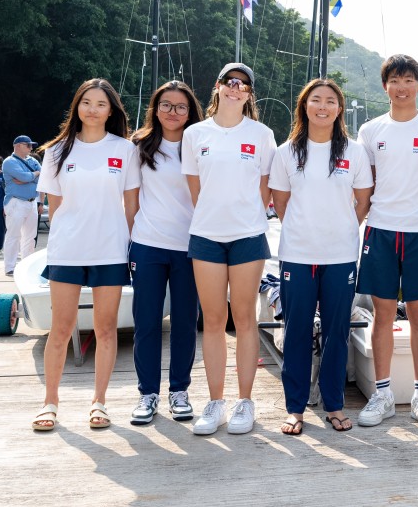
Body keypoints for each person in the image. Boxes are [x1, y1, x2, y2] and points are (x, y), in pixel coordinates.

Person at [31, 79, 140, 431]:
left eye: (101, 104)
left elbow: (130, 207)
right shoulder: (57, 151)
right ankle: (50, 401)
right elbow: (56, 207)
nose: (93, 109)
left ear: (112, 111)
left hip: (109, 249)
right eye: (87, 102)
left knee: (106, 329)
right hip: (67, 250)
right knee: (60, 330)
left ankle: (99, 402)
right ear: (77, 106)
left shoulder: (125, 150)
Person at [270, 79, 372, 435]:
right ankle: (295, 407)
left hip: (341, 255)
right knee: (296, 330)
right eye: (316, 100)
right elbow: (280, 203)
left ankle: (334, 404)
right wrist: (304, 230)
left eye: (331, 101)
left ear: (339, 109)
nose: (323, 106)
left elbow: (362, 201)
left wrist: (341, 229)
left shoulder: (354, 152)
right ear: (305, 106)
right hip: (297, 255)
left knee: (336, 332)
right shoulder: (286, 153)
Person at [354, 55, 418, 429]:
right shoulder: (370, 131)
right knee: (382, 314)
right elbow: (367, 184)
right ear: (385, 86)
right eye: (395, 80)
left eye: (409, 80)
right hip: (380, 229)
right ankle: (382, 394)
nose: (402, 86)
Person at [182, 63, 276, 436]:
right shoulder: (195, 134)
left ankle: (244, 402)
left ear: (250, 94)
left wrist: (242, 216)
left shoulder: (263, 134)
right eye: (229, 82)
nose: (236, 88)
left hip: (248, 236)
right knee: (214, 320)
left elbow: (265, 189)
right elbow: (195, 189)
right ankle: (216, 401)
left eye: (244, 85)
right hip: (205, 235)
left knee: (245, 318)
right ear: (218, 87)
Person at [128, 81, 205, 425]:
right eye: (166, 105)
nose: (173, 112)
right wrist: (130, 240)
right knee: (146, 322)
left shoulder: (200, 144)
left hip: (190, 247)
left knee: (186, 323)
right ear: (155, 108)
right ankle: (147, 394)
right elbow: (130, 200)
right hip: (147, 245)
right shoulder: (139, 146)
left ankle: (179, 391)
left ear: (191, 112)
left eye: (181, 107)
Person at [2, 135, 42, 276]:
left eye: (32, 145)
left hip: (31, 202)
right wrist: (34, 175)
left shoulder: (32, 160)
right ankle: (10, 267)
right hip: (16, 202)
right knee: (14, 235)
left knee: (30, 236)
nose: (31, 148)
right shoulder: (9, 162)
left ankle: (27, 265)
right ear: (18, 145)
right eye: (28, 145)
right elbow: (25, 177)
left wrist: (29, 177)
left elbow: (43, 177)